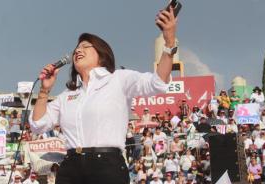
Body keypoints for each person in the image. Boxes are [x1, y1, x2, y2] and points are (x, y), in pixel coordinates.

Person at [30, 6, 177, 184]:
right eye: (76, 48)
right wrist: (45, 90)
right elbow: (37, 124)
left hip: (107, 165)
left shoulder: (119, 79)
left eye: (85, 46)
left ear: (101, 54)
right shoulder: (67, 95)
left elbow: (157, 83)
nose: (77, 50)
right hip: (71, 166)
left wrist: (169, 41)